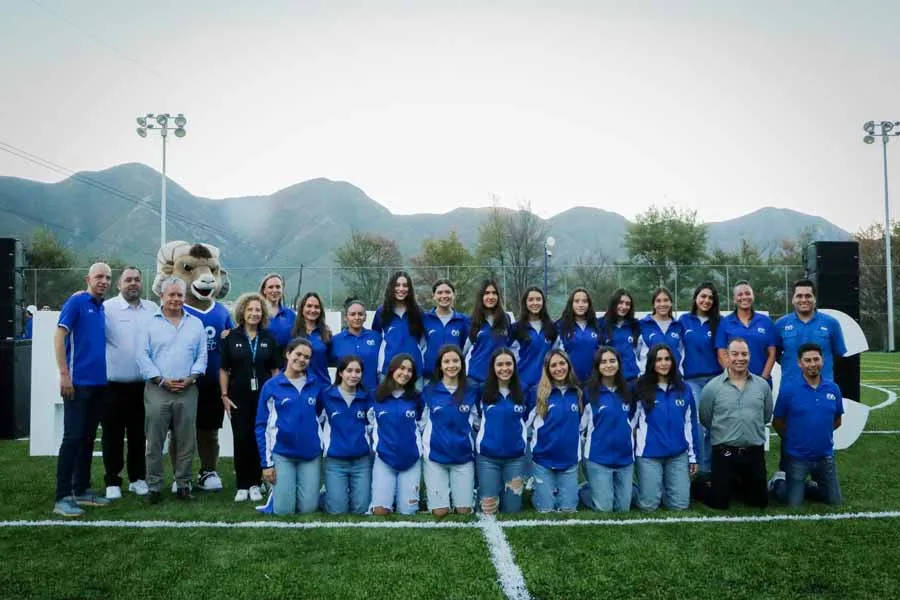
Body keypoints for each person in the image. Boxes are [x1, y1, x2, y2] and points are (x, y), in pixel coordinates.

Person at [137, 276, 208, 504]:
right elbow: (142, 356)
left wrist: (192, 377)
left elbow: (202, 355)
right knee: (154, 441)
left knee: (187, 441)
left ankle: (184, 485)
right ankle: (155, 487)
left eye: (180, 295)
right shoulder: (149, 323)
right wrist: (161, 380)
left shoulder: (195, 323)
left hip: (188, 389)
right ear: (162, 296)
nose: (176, 299)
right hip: (158, 389)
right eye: (172, 295)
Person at [52, 262, 113, 517]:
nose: (104, 281)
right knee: (72, 439)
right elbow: (59, 336)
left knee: (87, 439)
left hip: (99, 385)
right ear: (88, 278)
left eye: (108, 277)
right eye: (99, 276)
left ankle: (82, 489)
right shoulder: (76, 303)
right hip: (77, 384)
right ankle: (62, 497)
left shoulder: (100, 308)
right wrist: (64, 375)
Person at [102, 266, 158, 500]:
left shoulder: (152, 309)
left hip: (142, 386)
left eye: (137, 279)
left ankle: (137, 478)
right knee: (112, 434)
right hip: (113, 385)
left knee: (138, 435)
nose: (133, 283)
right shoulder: (107, 308)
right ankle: (113, 480)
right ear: (119, 284)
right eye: (128, 280)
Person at [697, 337, 773, 509]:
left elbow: (766, 416)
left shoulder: (762, 385)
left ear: (750, 356)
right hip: (725, 453)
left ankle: (738, 485)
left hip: (754, 452)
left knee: (759, 503)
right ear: (727, 357)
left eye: (744, 354)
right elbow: (706, 418)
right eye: (735, 354)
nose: (740, 358)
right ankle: (701, 484)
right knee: (719, 503)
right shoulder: (712, 387)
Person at [255, 338, 327, 515]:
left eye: (307, 357)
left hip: (310, 454)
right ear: (288, 354)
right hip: (283, 454)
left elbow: (321, 414)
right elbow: (261, 426)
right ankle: (277, 495)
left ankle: (323, 492)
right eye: (298, 354)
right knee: (284, 511)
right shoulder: (271, 386)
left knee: (308, 509)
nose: (302, 359)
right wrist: (266, 465)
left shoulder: (315, 384)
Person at [220, 292, 279, 503]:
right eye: (250, 310)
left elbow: (274, 370)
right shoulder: (231, 337)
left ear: (262, 313)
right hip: (237, 397)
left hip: (263, 398)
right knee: (241, 438)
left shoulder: (268, 338)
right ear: (242, 312)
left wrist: (276, 395)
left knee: (258, 438)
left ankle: (255, 483)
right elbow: (224, 369)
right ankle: (242, 485)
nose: (254, 313)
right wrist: (224, 395)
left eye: (257, 310)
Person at [770, 343, 843, 507]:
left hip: (825, 457)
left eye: (816, 359)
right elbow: (777, 422)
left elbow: (837, 420)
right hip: (797, 458)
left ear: (822, 361)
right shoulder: (789, 390)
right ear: (799, 363)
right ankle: (778, 482)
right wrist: (795, 438)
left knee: (835, 502)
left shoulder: (833, 388)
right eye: (807, 360)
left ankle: (806, 486)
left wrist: (817, 433)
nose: (812, 364)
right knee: (792, 503)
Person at [181, 284, 234, 492]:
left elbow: (232, 337)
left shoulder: (221, 310)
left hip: (212, 381)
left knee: (209, 431)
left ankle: (208, 471)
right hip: (184, 380)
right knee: (179, 432)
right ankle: (181, 474)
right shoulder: (180, 308)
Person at [633, 344, 699, 511]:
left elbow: (690, 424)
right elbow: (630, 423)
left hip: (677, 455)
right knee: (649, 506)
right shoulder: (640, 388)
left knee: (680, 506)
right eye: (658, 359)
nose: (663, 363)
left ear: (673, 362)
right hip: (649, 454)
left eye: (667, 359)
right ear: (652, 363)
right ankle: (632, 489)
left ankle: (662, 488)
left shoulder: (684, 390)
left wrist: (693, 457)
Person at [421, 345, 477, 516]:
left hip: (463, 456)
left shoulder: (472, 390)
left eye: (455, 361)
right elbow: (422, 422)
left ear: (462, 363)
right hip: (435, 456)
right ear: (440, 365)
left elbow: (478, 421)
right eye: (446, 361)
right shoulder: (429, 391)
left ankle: (468, 496)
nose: (451, 365)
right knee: (440, 512)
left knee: (464, 511)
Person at [580, 346, 635, 513]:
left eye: (612, 361)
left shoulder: (629, 390)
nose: (608, 365)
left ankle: (618, 488)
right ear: (597, 366)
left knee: (623, 509)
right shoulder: (589, 392)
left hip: (625, 458)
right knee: (605, 509)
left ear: (619, 364)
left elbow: (632, 420)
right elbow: (581, 426)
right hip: (598, 458)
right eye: (603, 362)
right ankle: (582, 490)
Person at [527, 349, 583, 513]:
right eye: (553, 365)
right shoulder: (536, 393)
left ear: (568, 365)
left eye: (562, 363)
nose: (558, 368)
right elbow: (524, 424)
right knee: (545, 509)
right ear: (547, 369)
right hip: (543, 460)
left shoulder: (578, 392)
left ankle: (576, 489)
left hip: (569, 461)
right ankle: (538, 491)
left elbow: (582, 424)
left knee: (568, 509)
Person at [475, 348, 530, 514]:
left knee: (512, 510)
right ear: (493, 367)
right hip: (488, 458)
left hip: (515, 459)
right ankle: (480, 492)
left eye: (508, 364)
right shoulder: (481, 390)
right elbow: (476, 420)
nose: (504, 368)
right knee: (488, 509)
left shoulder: (524, 390)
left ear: (514, 366)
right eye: (499, 364)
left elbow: (528, 420)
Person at [369, 353, 424, 515]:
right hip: (384, 460)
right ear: (392, 369)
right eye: (402, 368)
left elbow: (422, 425)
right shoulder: (375, 396)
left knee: (408, 512)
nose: (405, 373)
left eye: (409, 371)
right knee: (380, 511)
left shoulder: (417, 398)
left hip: (411, 460)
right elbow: (369, 423)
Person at [320, 355, 374, 514]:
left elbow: (373, 425)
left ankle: (344, 493)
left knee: (361, 509)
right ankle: (327, 495)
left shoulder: (367, 397)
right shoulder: (326, 396)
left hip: (361, 461)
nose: (353, 375)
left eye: (358, 371)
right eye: (349, 370)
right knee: (338, 511)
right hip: (335, 461)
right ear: (340, 373)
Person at [678, 282, 723, 473]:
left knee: (714, 425)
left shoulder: (719, 322)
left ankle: (714, 468)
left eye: (710, 298)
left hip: (714, 379)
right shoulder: (683, 321)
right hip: (691, 381)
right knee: (698, 424)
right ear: (696, 298)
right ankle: (700, 469)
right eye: (703, 296)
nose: (706, 300)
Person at [775, 279, 847, 386]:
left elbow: (838, 354)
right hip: (791, 387)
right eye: (799, 296)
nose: (803, 300)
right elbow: (775, 354)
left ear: (815, 299)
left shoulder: (831, 323)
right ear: (793, 300)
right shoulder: (780, 324)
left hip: (823, 387)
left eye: (808, 296)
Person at [715, 281, 776, 382]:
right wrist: (733, 378)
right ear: (734, 299)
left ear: (753, 296)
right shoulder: (725, 323)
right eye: (740, 294)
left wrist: (763, 378)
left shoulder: (766, 321)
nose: (744, 297)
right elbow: (721, 354)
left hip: (761, 381)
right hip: (734, 382)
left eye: (747, 293)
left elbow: (772, 353)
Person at [372, 271, 426, 382]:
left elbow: (423, 341)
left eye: (405, 285)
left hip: (414, 372)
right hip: (387, 372)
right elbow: (377, 339)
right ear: (391, 288)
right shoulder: (381, 312)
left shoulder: (419, 312)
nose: (401, 289)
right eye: (397, 285)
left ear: (410, 289)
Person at [421, 280, 470, 383]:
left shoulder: (463, 320)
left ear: (453, 295)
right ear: (434, 296)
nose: (444, 296)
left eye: (448, 292)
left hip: (453, 377)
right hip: (429, 377)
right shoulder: (425, 319)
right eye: (440, 293)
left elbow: (465, 348)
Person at [509, 286, 557, 389]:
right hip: (521, 384)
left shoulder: (552, 327)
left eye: (538, 299)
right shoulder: (515, 328)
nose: (535, 303)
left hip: (545, 385)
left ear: (543, 302)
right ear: (525, 303)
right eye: (531, 300)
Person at [330, 298, 382, 392]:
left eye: (360, 314)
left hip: (372, 394)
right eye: (352, 314)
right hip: (345, 395)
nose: (357, 317)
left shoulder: (377, 338)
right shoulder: (335, 340)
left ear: (365, 317)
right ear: (345, 317)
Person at [465, 279, 511, 384]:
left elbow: (512, 347)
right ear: (481, 297)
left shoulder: (506, 319)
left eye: (494, 293)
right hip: (476, 378)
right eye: (486, 293)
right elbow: (464, 350)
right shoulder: (471, 321)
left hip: (500, 378)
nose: (491, 297)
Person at [556, 288, 601, 384]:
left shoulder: (597, 325)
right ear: (571, 304)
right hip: (570, 382)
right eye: (577, 301)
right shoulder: (560, 326)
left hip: (594, 382)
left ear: (589, 305)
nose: (581, 305)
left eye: (584, 301)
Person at [598, 289, 641, 384]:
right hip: (609, 380)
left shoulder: (635, 325)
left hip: (631, 379)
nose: (624, 306)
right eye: (620, 302)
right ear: (613, 303)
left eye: (627, 304)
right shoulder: (600, 324)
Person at [638, 287, 684, 372]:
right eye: (658, 301)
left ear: (671, 303)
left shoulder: (678, 326)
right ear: (654, 304)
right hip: (650, 379)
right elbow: (637, 352)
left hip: (674, 377)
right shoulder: (642, 324)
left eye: (666, 300)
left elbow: (681, 353)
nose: (662, 304)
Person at [290, 292, 332, 384]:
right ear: (302, 308)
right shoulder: (292, 332)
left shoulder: (326, 333)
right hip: (299, 386)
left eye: (317, 307)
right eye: (309, 306)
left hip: (322, 385)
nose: (313, 310)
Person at [259, 273, 296, 350]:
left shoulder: (291, 314)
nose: (274, 290)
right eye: (270, 287)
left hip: (285, 359)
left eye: (278, 287)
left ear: (282, 289)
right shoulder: (257, 313)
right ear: (264, 291)